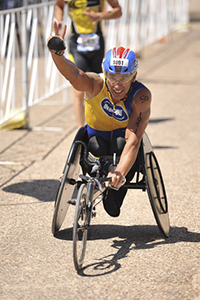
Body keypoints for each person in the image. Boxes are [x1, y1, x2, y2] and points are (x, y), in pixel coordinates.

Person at [47, 22, 151, 217]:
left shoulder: (141, 96)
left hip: (123, 148)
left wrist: (119, 172)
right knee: (96, 144)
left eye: (125, 77)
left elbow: (134, 141)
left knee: (113, 208)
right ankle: (94, 180)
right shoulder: (95, 84)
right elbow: (74, 74)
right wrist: (58, 55)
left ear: (134, 76)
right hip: (94, 144)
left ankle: (113, 190)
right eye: (112, 76)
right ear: (105, 73)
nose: (117, 84)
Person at [54, 0, 122, 127]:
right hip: (77, 45)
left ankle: (101, 124)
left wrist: (100, 16)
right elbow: (59, 5)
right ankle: (81, 130)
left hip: (97, 45)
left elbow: (118, 11)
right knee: (79, 90)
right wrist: (59, 20)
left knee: (101, 86)